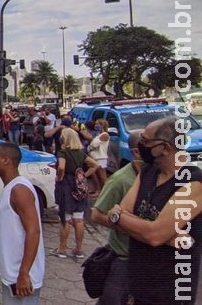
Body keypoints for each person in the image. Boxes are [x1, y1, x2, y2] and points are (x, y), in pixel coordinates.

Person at [107, 118, 202, 304]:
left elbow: (154, 235)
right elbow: (114, 219)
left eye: (146, 141)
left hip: (170, 293)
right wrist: (167, 235)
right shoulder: (148, 171)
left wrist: (123, 217)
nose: (141, 145)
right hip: (137, 288)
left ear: (165, 148)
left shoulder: (193, 183)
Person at [0, 142, 46, 304]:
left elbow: (33, 231)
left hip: (21, 278)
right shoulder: (10, 188)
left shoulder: (19, 190)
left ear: (6, 160)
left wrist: (24, 273)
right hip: (12, 274)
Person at [89, 131, 143, 305]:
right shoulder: (120, 180)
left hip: (148, 259)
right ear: (136, 152)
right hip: (123, 258)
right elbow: (96, 215)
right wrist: (126, 225)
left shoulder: (159, 176)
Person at [52, 129, 100, 259]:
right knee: (79, 219)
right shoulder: (80, 153)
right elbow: (95, 165)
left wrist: (59, 177)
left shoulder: (63, 153)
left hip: (66, 186)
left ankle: (62, 248)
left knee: (65, 218)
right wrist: (84, 175)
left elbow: (61, 167)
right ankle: (79, 249)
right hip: (79, 186)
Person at [86, 119, 110, 192]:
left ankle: (106, 192)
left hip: (101, 158)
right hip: (95, 158)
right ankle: (99, 191)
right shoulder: (98, 135)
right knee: (97, 176)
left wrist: (90, 146)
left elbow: (94, 144)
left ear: (102, 125)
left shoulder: (105, 135)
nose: (95, 126)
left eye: (97, 124)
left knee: (102, 177)